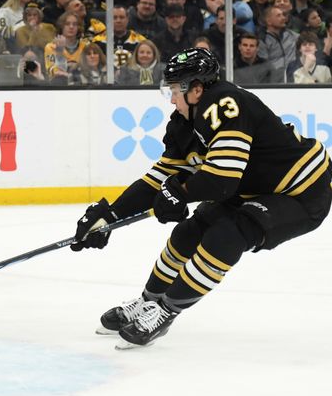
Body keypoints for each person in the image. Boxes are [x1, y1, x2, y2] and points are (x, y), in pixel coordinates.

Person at [72, 47, 332, 348]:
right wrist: (110, 215)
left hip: (302, 191)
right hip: (254, 188)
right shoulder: (184, 124)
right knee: (188, 232)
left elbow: (221, 181)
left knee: (227, 234)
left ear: (196, 89)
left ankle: (165, 312)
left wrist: (179, 193)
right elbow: (157, 181)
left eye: (174, 90)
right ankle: (149, 302)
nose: (171, 99)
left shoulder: (225, 104)